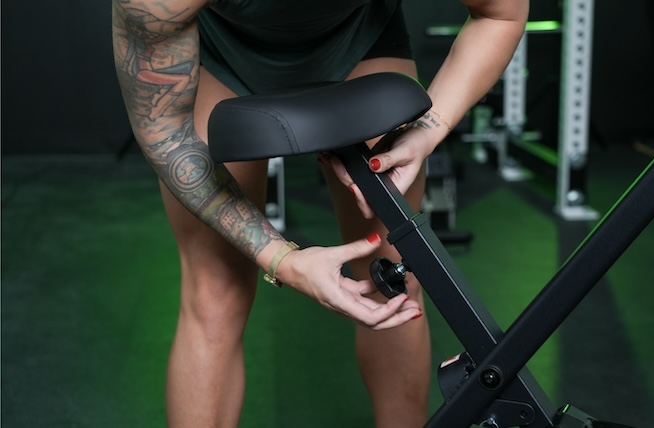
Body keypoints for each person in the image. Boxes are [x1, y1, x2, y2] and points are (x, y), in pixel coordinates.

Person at [111, 0, 528, 426]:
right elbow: (166, 136)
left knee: (392, 280)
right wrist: (281, 258)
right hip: (218, 52)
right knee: (215, 292)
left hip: (358, 38)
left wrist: (427, 129)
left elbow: (500, 13)